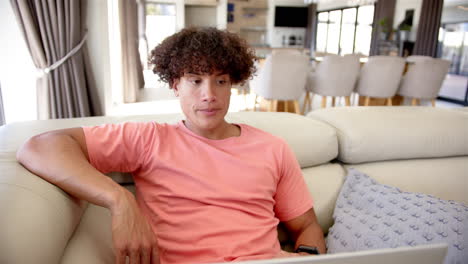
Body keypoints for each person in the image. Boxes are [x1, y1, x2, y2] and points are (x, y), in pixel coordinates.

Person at [16, 27, 326, 264]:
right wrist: (119, 199)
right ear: (175, 85)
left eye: (220, 81)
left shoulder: (273, 147)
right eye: (195, 80)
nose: (209, 95)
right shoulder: (149, 138)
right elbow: (41, 146)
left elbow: (307, 225)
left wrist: (311, 258)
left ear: (232, 86)